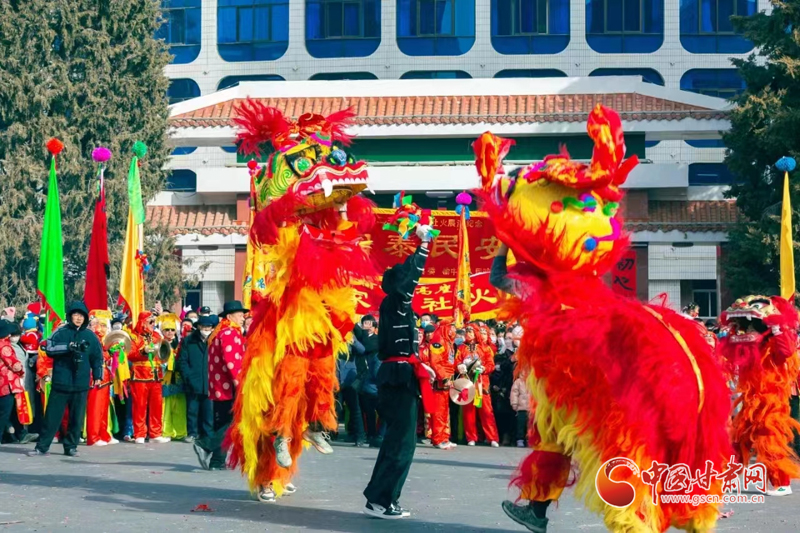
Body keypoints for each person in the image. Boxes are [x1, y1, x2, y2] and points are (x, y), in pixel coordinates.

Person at [363, 225, 435, 520]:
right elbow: (410, 277)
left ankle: (378, 498)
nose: (412, 285)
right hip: (398, 379)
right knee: (401, 445)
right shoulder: (397, 301)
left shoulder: (394, 305)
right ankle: (383, 500)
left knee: (398, 442)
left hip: (399, 375)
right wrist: (424, 245)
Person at [28, 302, 103, 457]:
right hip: (61, 382)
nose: (79, 318)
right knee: (52, 417)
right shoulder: (60, 332)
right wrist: (68, 347)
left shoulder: (90, 336)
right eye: (76, 315)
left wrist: (98, 375)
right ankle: (42, 447)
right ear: (70, 316)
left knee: (76, 418)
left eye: (82, 316)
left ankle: (71, 447)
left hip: (81, 383)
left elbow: (97, 357)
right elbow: (49, 348)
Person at [193, 301, 246, 471]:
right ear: (230, 316)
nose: (243, 318)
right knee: (232, 422)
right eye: (240, 315)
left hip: (219, 386)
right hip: (228, 387)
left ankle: (217, 461)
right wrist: (239, 383)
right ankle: (205, 444)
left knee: (223, 422)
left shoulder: (220, 331)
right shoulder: (230, 332)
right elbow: (232, 362)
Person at [128, 312, 171, 444]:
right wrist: (143, 351)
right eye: (150, 321)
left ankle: (155, 433)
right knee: (139, 406)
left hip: (156, 376)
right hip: (140, 376)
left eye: (154, 322)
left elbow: (162, 353)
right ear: (142, 322)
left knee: (157, 406)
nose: (153, 324)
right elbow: (130, 355)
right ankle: (139, 434)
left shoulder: (157, 336)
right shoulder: (133, 336)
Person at [456, 323, 499, 447]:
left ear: (476, 333)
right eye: (466, 331)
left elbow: (491, 365)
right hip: (466, 382)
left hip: (482, 384)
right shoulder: (461, 348)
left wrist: (484, 369)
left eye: (470, 331)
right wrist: (460, 366)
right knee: (468, 412)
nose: (468, 334)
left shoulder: (485, 348)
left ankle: (492, 438)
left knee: (486, 411)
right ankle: (471, 437)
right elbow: (456, 362)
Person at [177, 315, 214, 444]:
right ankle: (192, 433)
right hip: (193, 381)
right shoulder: (189, 341)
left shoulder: (215, 340)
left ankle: (207, 434)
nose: (206, 329)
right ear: (198, 326)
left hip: (210, 381)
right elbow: (182, 361)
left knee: (208, 411)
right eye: (203, 326)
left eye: (208, 327)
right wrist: (188, 377)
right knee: (192, 410)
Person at [85, 310, 116, 446]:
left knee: (103, 408)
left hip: (105, 376)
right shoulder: (89, 338)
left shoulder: (105, 340)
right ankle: (93, 436)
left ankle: (104, 434)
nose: (102, 328)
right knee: (95, 408)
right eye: (99, 325)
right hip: (94, 376)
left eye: (104, 325)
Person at [428, 321, 457, 450]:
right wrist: (444, 377)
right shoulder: (438, 341)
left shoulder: (449, 342)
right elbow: (436, 362)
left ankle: (444, 437)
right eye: (452, 327)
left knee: (445, 412)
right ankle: (438, 439)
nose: (454, 330)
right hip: (440, 382)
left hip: (447, 381)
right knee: (439, 412)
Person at [160, 314, 187, 441]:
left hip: (178, 378)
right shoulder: (159, 344)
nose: (170, 332)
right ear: (162, 331)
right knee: (166, 406)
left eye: (172, 330)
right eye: (167, 330)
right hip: (166, 378)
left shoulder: (180, 344)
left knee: (179, 406)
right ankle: (166, 431)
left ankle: (180, 431)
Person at [356, 315, 382, 447]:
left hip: (373, 379)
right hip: (360, 377)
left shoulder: (377, 339)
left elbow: (367, 348)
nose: (367, 326)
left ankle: (377, 435)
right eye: (364, 323)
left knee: (379, 410)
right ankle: (368, 433)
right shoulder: (359, 338)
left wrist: (364, 334)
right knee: (365, 410)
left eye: (369, 323)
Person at [338, 331, 367, 446]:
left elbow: (362, 350)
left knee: (355, 409)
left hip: (349, 379)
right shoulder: (331, 336)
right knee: (335, 409)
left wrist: (352, 340)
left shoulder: (350, 335)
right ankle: (330, 433)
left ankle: (360, 436)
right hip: (335, 378)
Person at [0, 321, 26, 445]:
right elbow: (14, 364)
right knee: (4, 412)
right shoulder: (4, 345)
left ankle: (18, 434)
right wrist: (21, 371)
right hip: (6, 383)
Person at [510, 370, 531, 448]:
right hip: (521, 407)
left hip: (532, 408)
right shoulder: (518, 382)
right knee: (520, 425)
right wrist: (514, 403)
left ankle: (529, 439)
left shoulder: (534, 381)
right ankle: (520, 439)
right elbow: (514, 393)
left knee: (530, 425)